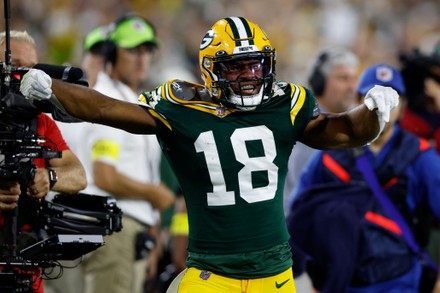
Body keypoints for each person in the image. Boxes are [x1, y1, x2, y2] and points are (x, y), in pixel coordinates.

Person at [19, 17, 399, 293]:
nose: (249, 75)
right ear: (210, 71)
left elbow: (345, 132)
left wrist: (372, 113)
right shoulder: (181, 108)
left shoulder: (285, 103)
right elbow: (105, 108)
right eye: (236, 67)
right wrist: (52, 88)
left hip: (276, 273)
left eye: (255, 64)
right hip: (211, 275)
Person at [287, 63, 440, 292]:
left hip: (400, 281)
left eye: (392, 99)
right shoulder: (330, 153)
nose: (383, 108)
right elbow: (300, 212)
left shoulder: (420, 155)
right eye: (373, 97)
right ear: (358, 103)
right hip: (340, 280)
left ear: (404, 106)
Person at [72, 14, 175, 293]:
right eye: (132, 50)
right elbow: (105, 175)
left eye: (146, 51)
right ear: (111, 54)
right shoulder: (108, 100)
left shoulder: (126, 98)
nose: (142, 59)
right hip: (116, 227)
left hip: (128, 227)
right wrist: (154, 193)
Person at [0, 30, 87, 293]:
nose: (21, 75)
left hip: (26, 261)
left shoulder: (41, 122)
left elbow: (78, 175)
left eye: (30, 68)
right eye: (14, 66)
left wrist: (49, 178)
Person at [284, 47, 359, 215]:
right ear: (319, 83)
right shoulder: (306, 125)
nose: (352, 87)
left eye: (354, 78)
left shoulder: (348, 124)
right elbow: (304, 196)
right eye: (343, 78)